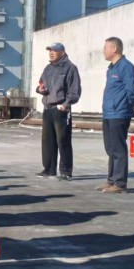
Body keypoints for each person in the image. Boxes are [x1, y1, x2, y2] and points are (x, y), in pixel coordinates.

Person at [98, 37, 134, 193]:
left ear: (114, 49)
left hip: (119, 113)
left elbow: (132, 90)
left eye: (105, 47)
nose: (103, 51)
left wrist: (129, 105)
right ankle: (111, 180)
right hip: (109, 113)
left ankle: (120, 184)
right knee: (110, 148)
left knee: (118, 149)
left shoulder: (126, 67)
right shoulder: (111, 68)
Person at [35, 42, 81, 181]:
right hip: (48, 108)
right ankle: (49, 169)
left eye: (54, 50)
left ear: (62, 52)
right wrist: (40, 89)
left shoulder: (70, 68)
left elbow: (74, 90)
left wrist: (66, 105)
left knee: (63, 141)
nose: (51, 53)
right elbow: (41, 84)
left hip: (61, 109)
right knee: (47, 141)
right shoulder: (48, 68)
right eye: (49, 50)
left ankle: (66, 171)